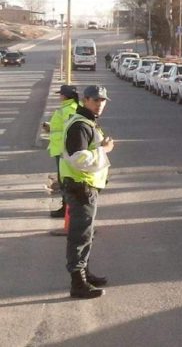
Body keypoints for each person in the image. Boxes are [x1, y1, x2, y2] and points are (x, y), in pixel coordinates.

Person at [60, 85, 114, 299]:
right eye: (96, 100)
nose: (100, 104)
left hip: (84, 185)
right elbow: (79, 159)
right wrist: (105, 150)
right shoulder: (80, 125)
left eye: (103, 100)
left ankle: (85, 273)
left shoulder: (88, 121)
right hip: (80, 186)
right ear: (85, 100)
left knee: (86, 234)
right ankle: (78, 283)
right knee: (80, 235)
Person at [43, 85, 79, 218]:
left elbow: (71, 129)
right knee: (64, 179)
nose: (59, 96)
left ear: (65, 96)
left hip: (63, 150)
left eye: (61, 94)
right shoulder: (70, 107)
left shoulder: (69, 109)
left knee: (65, 179)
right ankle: (66, 207)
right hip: (61, 149)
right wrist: (50, 127)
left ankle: (66, 208)